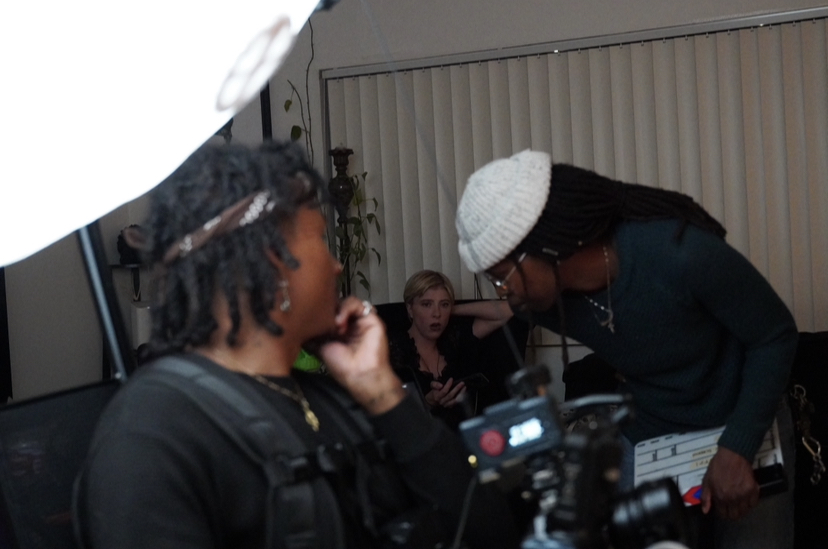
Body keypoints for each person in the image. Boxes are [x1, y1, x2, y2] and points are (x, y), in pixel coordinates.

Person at [73, 142, 520, 549]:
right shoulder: (152, 435)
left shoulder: (331, 398)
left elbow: (486, 528)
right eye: (320, 240)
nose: (337, 265)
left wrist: (381, 390)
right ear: (273, 261)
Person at [454, 150, 799, 549]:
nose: (505, 292)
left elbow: (774, 336)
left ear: (546, 244)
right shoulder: (538, 304)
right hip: (651, 435)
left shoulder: (678, 252)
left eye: (502, 277)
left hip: (743, 420)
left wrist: (738, 447)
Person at [388, 270, 512, 428]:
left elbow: (508, 310)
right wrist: (427, 402)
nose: (437, 314)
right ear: (410, 309)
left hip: (462, 436)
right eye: (427, 304)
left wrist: (452, 310)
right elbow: (388, 417)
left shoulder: (454, 338)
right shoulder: (391, 349)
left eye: (444, 304)